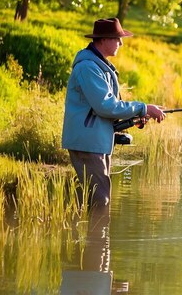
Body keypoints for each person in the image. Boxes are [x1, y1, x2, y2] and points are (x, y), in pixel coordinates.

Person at [62, 18, 165, 208]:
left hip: (95, 142)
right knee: (100, 200)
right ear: (103, 40)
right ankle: (98, 238)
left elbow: (106, 108)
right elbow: (106, 106)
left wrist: (136, 116)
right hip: (88, 143)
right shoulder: (88, 67)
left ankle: (77, 234)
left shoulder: (98, 66)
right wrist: (143, 108)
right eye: (117, 38)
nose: (121, 43)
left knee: (92, 197)